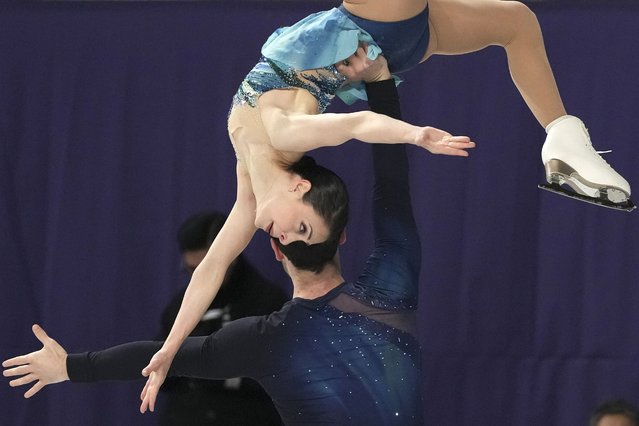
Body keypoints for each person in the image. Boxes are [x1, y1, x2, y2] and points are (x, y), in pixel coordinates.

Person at [3, 70, 427, 424]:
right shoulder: (391, 284)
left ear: (275, 250)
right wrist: (380, 81)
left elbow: (157, 355)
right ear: (343, 235)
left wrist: (70, 367)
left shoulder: (267, 340)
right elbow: (393, 188)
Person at [255, 0, 633, 211]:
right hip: (380, 25)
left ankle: (563, 140)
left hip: (393, 28)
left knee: (518, 24)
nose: (276, 231)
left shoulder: (258, 169)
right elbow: (354, 126)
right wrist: (415, 133)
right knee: (517, 25)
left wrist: (191, 337)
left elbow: (216, 260)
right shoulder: (270, 148)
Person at [158, 211, 286, 425]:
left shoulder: (267, 302)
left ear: (231, 256)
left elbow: (281, 377)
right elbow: (158, 373)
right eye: (191, 270)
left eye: (206, 269)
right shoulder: (180, 304)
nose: (198, 278)